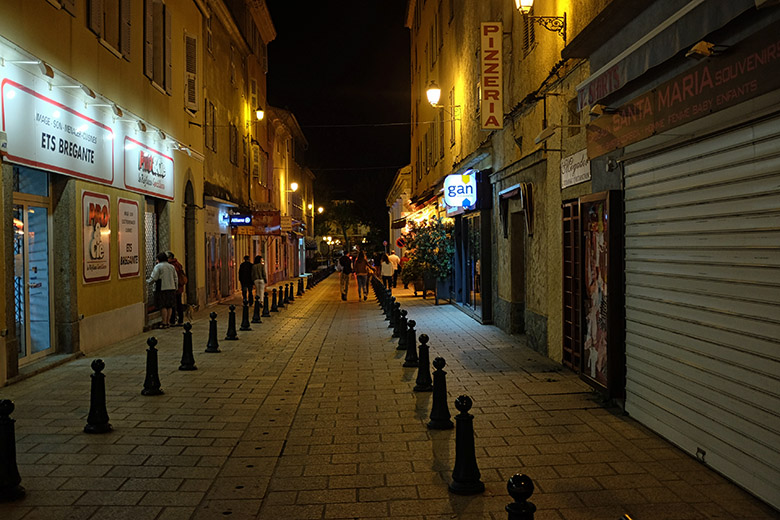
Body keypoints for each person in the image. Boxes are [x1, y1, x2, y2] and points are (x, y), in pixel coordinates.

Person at [147, 251, 177, 329]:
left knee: (163, 306)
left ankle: (164, 322)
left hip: (162, 288)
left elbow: (154, 278)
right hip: (171, 288)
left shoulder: (158, 266)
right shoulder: (171, 267)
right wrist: (175, 287)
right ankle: (168, 321)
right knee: (169, 306)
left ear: (159, 259)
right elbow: (175, 278)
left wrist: (147, 282)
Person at [167, 251, 187, 326]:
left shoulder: (172, 266)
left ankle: (172, 320)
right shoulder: (178, 263)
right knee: (179, 303)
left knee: (173, 304)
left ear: (170, 258)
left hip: (175, 287)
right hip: (180, 287)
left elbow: (174, 277)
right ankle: (180, 319)